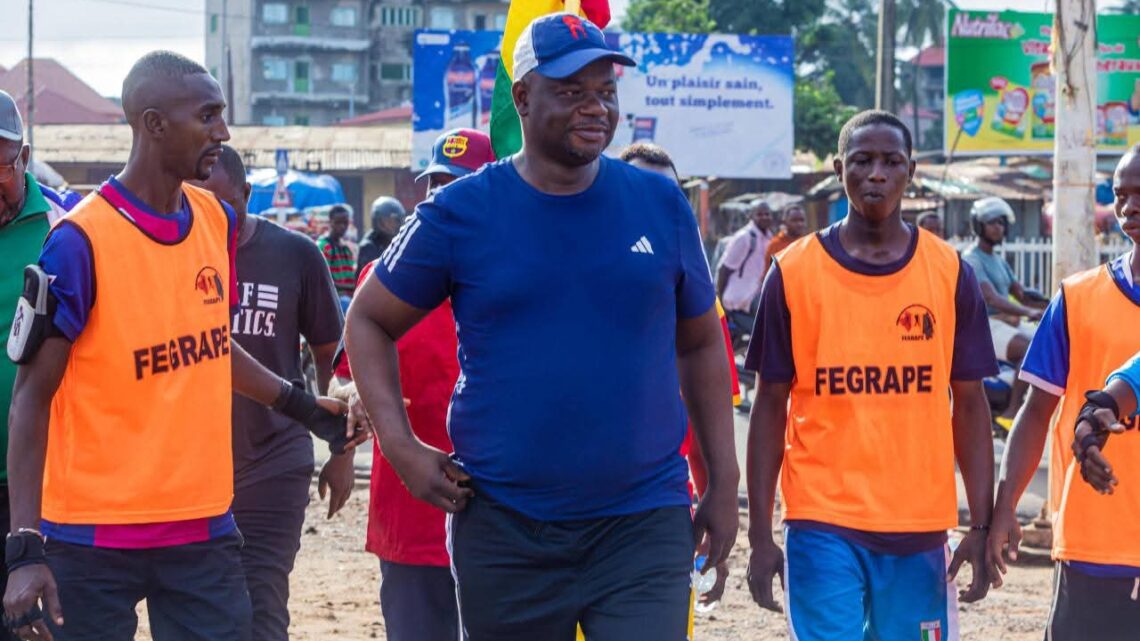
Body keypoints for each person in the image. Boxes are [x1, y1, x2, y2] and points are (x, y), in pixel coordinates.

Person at [344, 13, 739, 641]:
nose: (595, 108)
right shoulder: (459, 212)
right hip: (504, 528)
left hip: (642, 523)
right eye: (572, 90)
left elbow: (699, 345)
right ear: (523, 97)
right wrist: (399, 446)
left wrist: (722, 478)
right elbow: (366, 320)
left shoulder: (660, 204)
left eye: (605, 91)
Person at [1, 51, 363, 641]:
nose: (223, 132)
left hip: (202, 529)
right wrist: (24, 548)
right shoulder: (79, 241)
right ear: (154, 125)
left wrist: (304, 408)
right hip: (90, 535)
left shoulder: (214, 219)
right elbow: (31, 399)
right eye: (209, 115)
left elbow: (211, 345)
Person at [746, 110, 997, 641]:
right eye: (862, 161)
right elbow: (769, 403)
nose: (876, 174)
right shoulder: (793, 271)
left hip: (920, 527)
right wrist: (761, 532)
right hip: (822, 520)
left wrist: (980, 522)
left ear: (913, 171)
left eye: (891, 162)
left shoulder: (950, 271)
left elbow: (970, 404)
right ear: (840, 169)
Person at [330, 127, 494, 641]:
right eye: (434, 188)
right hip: (409, 509)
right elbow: (342, 381)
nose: (441, 201)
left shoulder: (515, 276)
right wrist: (353, 399)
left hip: (499, 514)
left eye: (456, 187)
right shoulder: (383, 278)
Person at [190, 145, 351, 641]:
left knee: (260, 605)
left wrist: (340, 450)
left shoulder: (294, 254)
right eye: (197, 207)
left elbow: (331, 355)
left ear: (247, 194)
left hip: (273, 457)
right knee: (197, 608)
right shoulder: (168, 258)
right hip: (185, 470)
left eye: (224, 207)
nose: (213, 221)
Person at [987, 146, 1140, 641]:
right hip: (1095, 538)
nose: (1129, 208)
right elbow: (1036, 411)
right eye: (1120, 196)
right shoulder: (1078, 297)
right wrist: (1005, 504)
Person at [0, 90, 73, 641]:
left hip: (39, 483)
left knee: (35, 628)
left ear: (23, 155)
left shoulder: (63, 228)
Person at [962, 197, 1047, 423]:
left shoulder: (999, 260)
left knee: (1048, 342)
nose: (998, 227)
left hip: (1005, 323)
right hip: (984, 325)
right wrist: (1027, 313)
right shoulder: (972, 258)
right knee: (1030, 349)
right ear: (978, 225)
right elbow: (991, 297)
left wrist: (1055, 303)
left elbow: (1022, 295)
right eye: (992, 222)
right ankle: (1012, 411)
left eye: (1001, 223)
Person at [716, 198, 774, 315]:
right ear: (751, 216)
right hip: (739, 298)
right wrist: (720, 300)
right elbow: (724, 269)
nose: (764, 217)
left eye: (767, 214)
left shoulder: (770, 238)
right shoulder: (744, 238)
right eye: (759, 214)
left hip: (757, 294)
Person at [355, 197, 406, 280]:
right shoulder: (368, 246)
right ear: (378, 221)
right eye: (388, 222)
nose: (393, 226)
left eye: (395, 221)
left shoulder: (395, 243)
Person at [318, 204, 355, 304]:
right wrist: (350, 287)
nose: (342, 226)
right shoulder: (324, 246)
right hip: (332, 298)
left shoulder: (346, 249)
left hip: (348, 297)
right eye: (338, 223)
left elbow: (350, 277)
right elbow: (324, 281)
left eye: (345, 223)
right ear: (330, 222)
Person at [761, 203, 807, 278]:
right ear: (784, 222)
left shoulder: (807, 244)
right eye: (794, 220)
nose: (799, 224)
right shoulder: (775, 245)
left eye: (802, 220)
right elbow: (768, 276)